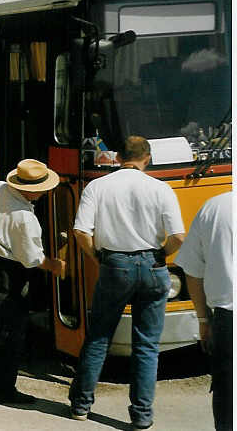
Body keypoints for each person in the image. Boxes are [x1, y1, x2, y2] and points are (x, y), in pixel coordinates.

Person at [69, 136, 186, 429]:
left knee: (98, 337)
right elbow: (178, 236)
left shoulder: (97, 187)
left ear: (118, 156)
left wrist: (98, 258)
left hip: (114, 264)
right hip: (153, 266)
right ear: (147, 158)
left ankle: (81, 406)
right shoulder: (161, 188)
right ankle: (142, 416)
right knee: (147, 345)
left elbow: (81, 232)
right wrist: (160, 256)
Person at [0, 159, 66, 404]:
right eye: (42, 189)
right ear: (29, 190)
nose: (44, 193)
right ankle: (2, 389)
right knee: (9, 331)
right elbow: (31, 258)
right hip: (8, 271)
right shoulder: (24, 219)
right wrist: (54, 265)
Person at [175, 192, 233, 431]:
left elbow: (192, 270)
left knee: (228, 395)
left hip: (228, 319)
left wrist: (202, 319)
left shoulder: (215, 206)